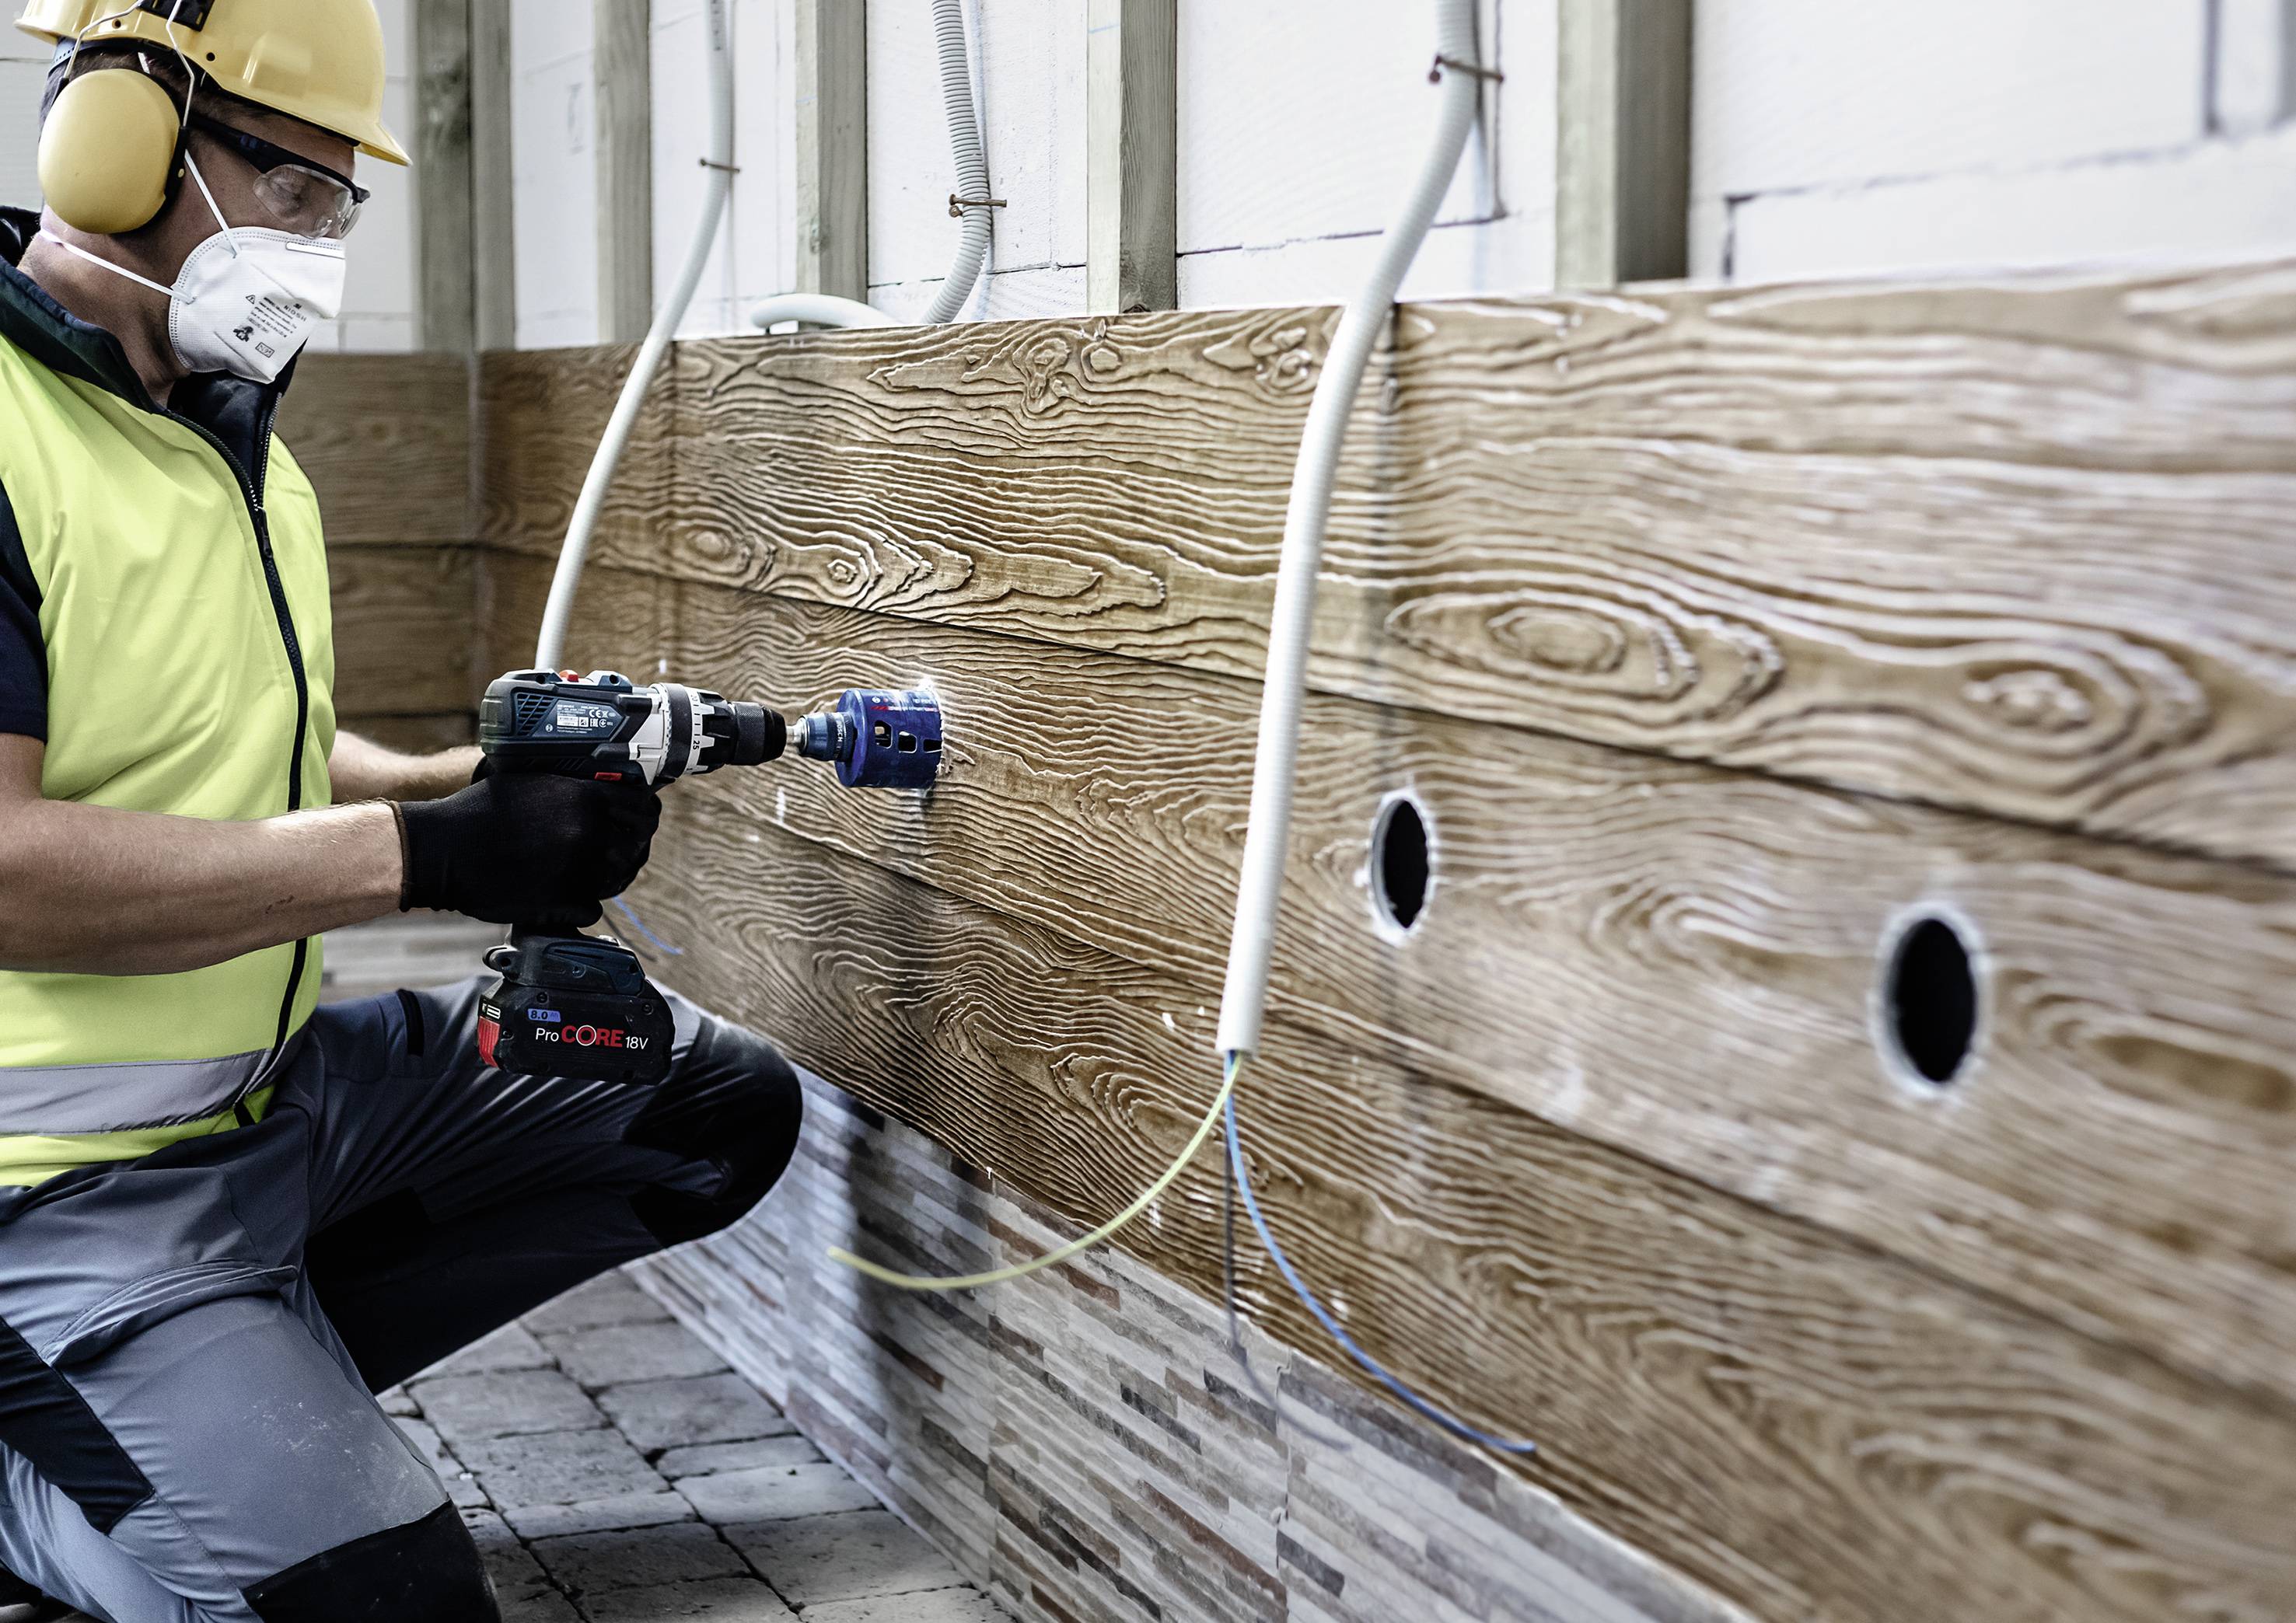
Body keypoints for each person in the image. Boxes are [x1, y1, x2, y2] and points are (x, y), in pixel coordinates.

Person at [0, 3, 802, 1618]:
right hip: (48, 1190)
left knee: (704, 1112)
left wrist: (457, 781)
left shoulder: (221, 431)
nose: (317, 241)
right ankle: (61, 1460)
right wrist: (431, 859)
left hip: (266, 1111)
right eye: (296, 188)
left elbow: (230, 748)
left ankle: (209, 1390)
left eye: (338, 205)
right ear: (128, 141)